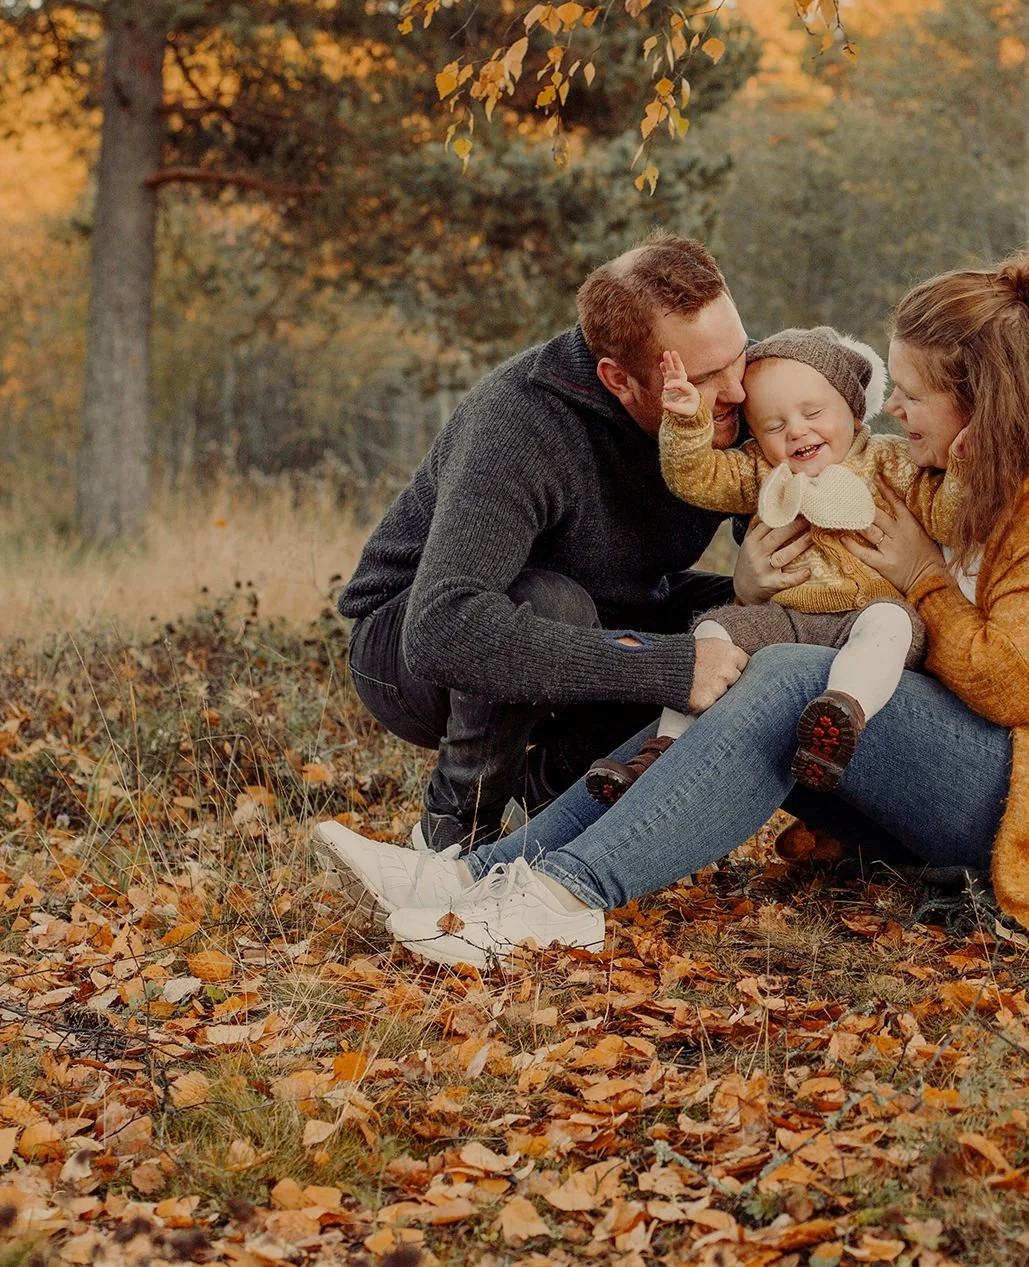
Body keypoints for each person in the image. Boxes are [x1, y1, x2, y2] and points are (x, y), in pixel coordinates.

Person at [320, 251, 1029, 966]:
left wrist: (917, 581)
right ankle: (469, 873)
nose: (894, 412)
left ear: (980, 397)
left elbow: (1014, 681)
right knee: (773, 664)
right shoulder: (962, 465)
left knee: (795, 678)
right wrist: (752, 594)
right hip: (1007, 757)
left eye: (910, 394)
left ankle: (560, 897)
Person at [324, 233, 790, 856]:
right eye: (706, 378)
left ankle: (552, 784)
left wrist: (756, 585)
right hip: (407, 649)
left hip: (606, 613)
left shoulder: (741, 385)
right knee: (550, 601)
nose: (737, 389)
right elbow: (443, 629)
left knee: (770, 617)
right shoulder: (519, 422)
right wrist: (670, 667)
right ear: (618, 379)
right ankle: (454, 834)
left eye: (738, 355)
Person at [583, 325, 964, 804]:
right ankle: (664, 748)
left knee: (892, 625)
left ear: (851, 406)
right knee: (714, 630)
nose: (797, 431)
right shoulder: (762, 470)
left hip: (867, 609)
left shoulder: (892, 461)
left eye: (812, 413)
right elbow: (698, 478)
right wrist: (686, 422)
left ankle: (840, 716)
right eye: (773, 426)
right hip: (785, 617)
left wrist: (965, 465)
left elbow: (947, 517)